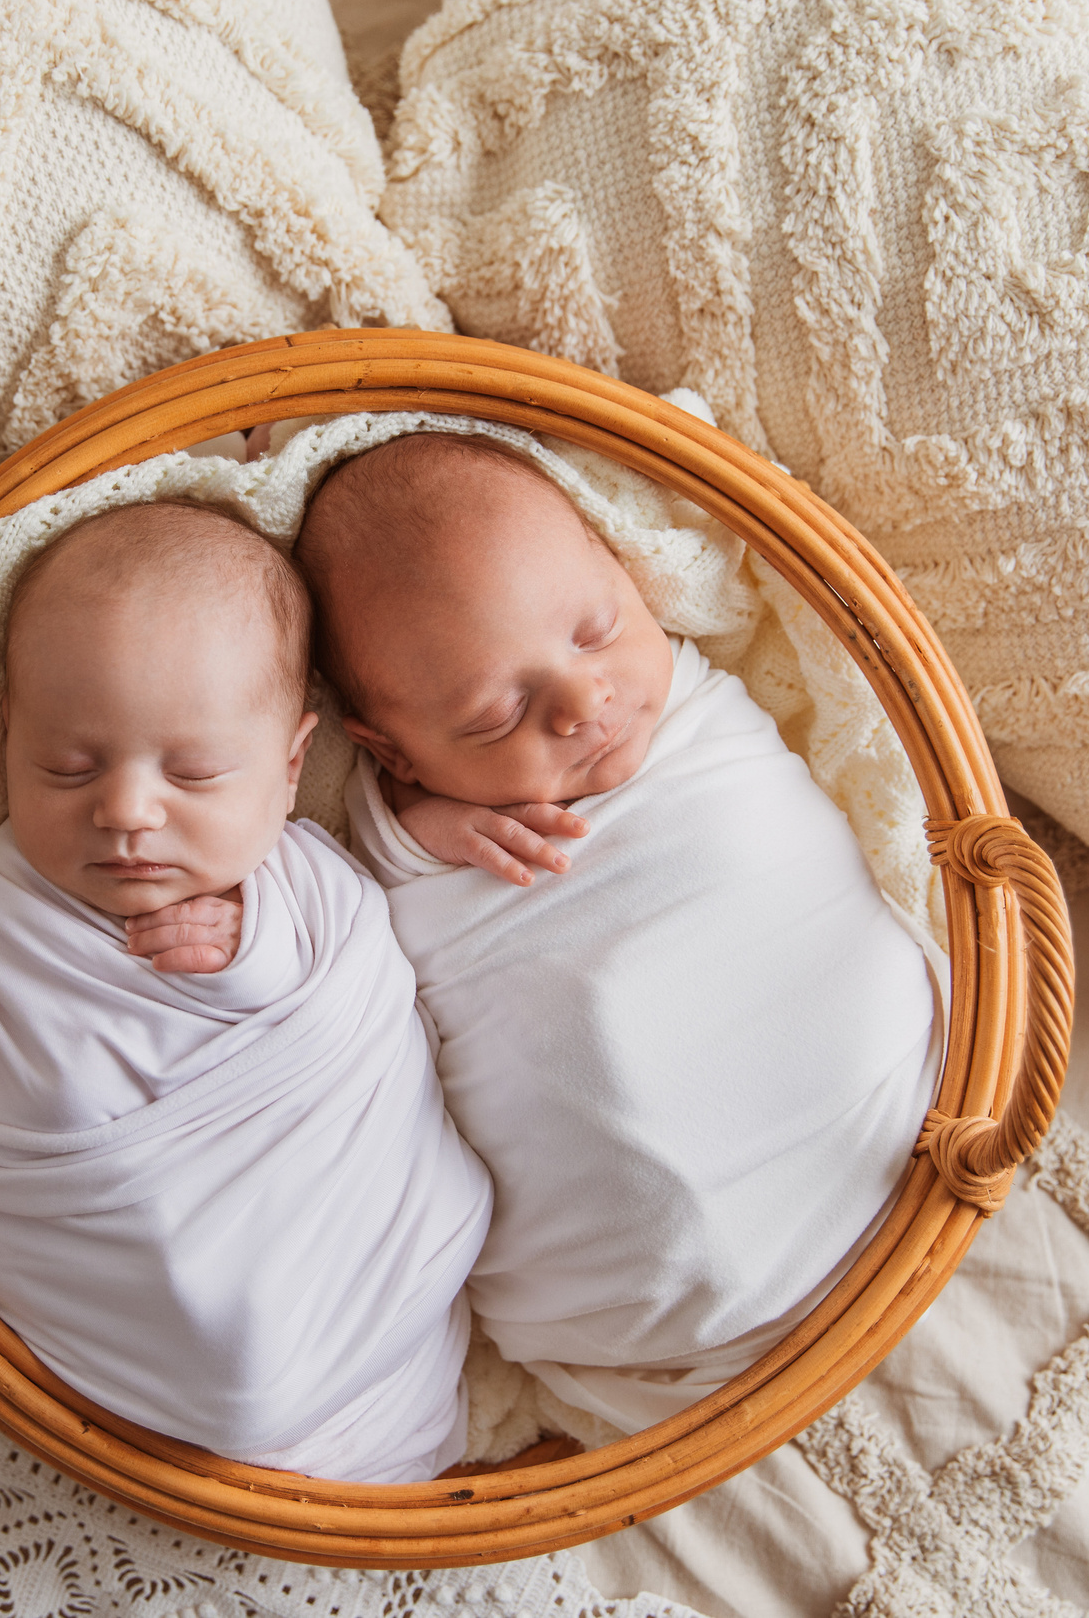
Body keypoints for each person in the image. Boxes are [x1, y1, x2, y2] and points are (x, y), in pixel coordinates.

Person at [296, 433, 942, 1434]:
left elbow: (710, 511)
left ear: (625, 573)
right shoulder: (403, 835)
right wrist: (425, 830)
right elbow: (338, 897)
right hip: (644, 1320)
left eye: (596, 629)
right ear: (394, 755)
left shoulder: (687, 690)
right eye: (495, 712)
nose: (583, 700)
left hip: (907, 1145)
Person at [0, 500, 492, 1481]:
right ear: (1, 744)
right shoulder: (1, 899)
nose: (123, 811)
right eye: (66, 768)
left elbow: (356, 993)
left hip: (330, 1264)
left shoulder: (308, 885)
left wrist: (257, 953)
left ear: (291, 768)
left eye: (195, 773)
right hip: (76, 1245)